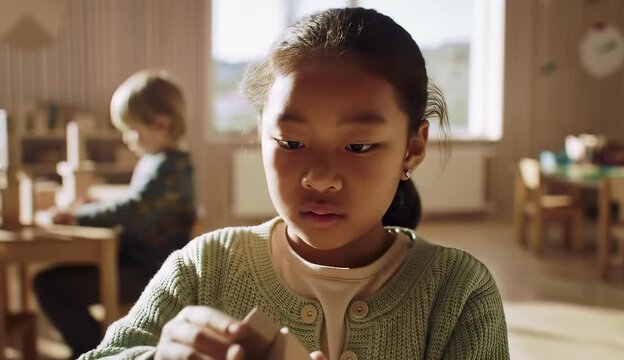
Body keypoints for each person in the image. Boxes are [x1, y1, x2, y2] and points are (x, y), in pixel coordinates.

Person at [81, 8, 508, 360]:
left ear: (412, 149)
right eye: (291, 142)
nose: (318, 176)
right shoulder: (203, 269)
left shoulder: (458, 293)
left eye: (358, 146)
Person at [34, 70, 197, 359]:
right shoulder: (157, 162)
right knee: (52, 280)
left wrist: (77, 216)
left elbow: (134, 208)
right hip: (135, 263)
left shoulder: (170, 168)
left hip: (148, 273)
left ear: (161, 124)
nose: (127, 139)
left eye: (132, 130)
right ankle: (102, 346)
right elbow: (138, 201)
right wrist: (93, 201)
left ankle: (93, 350)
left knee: (50, 285)